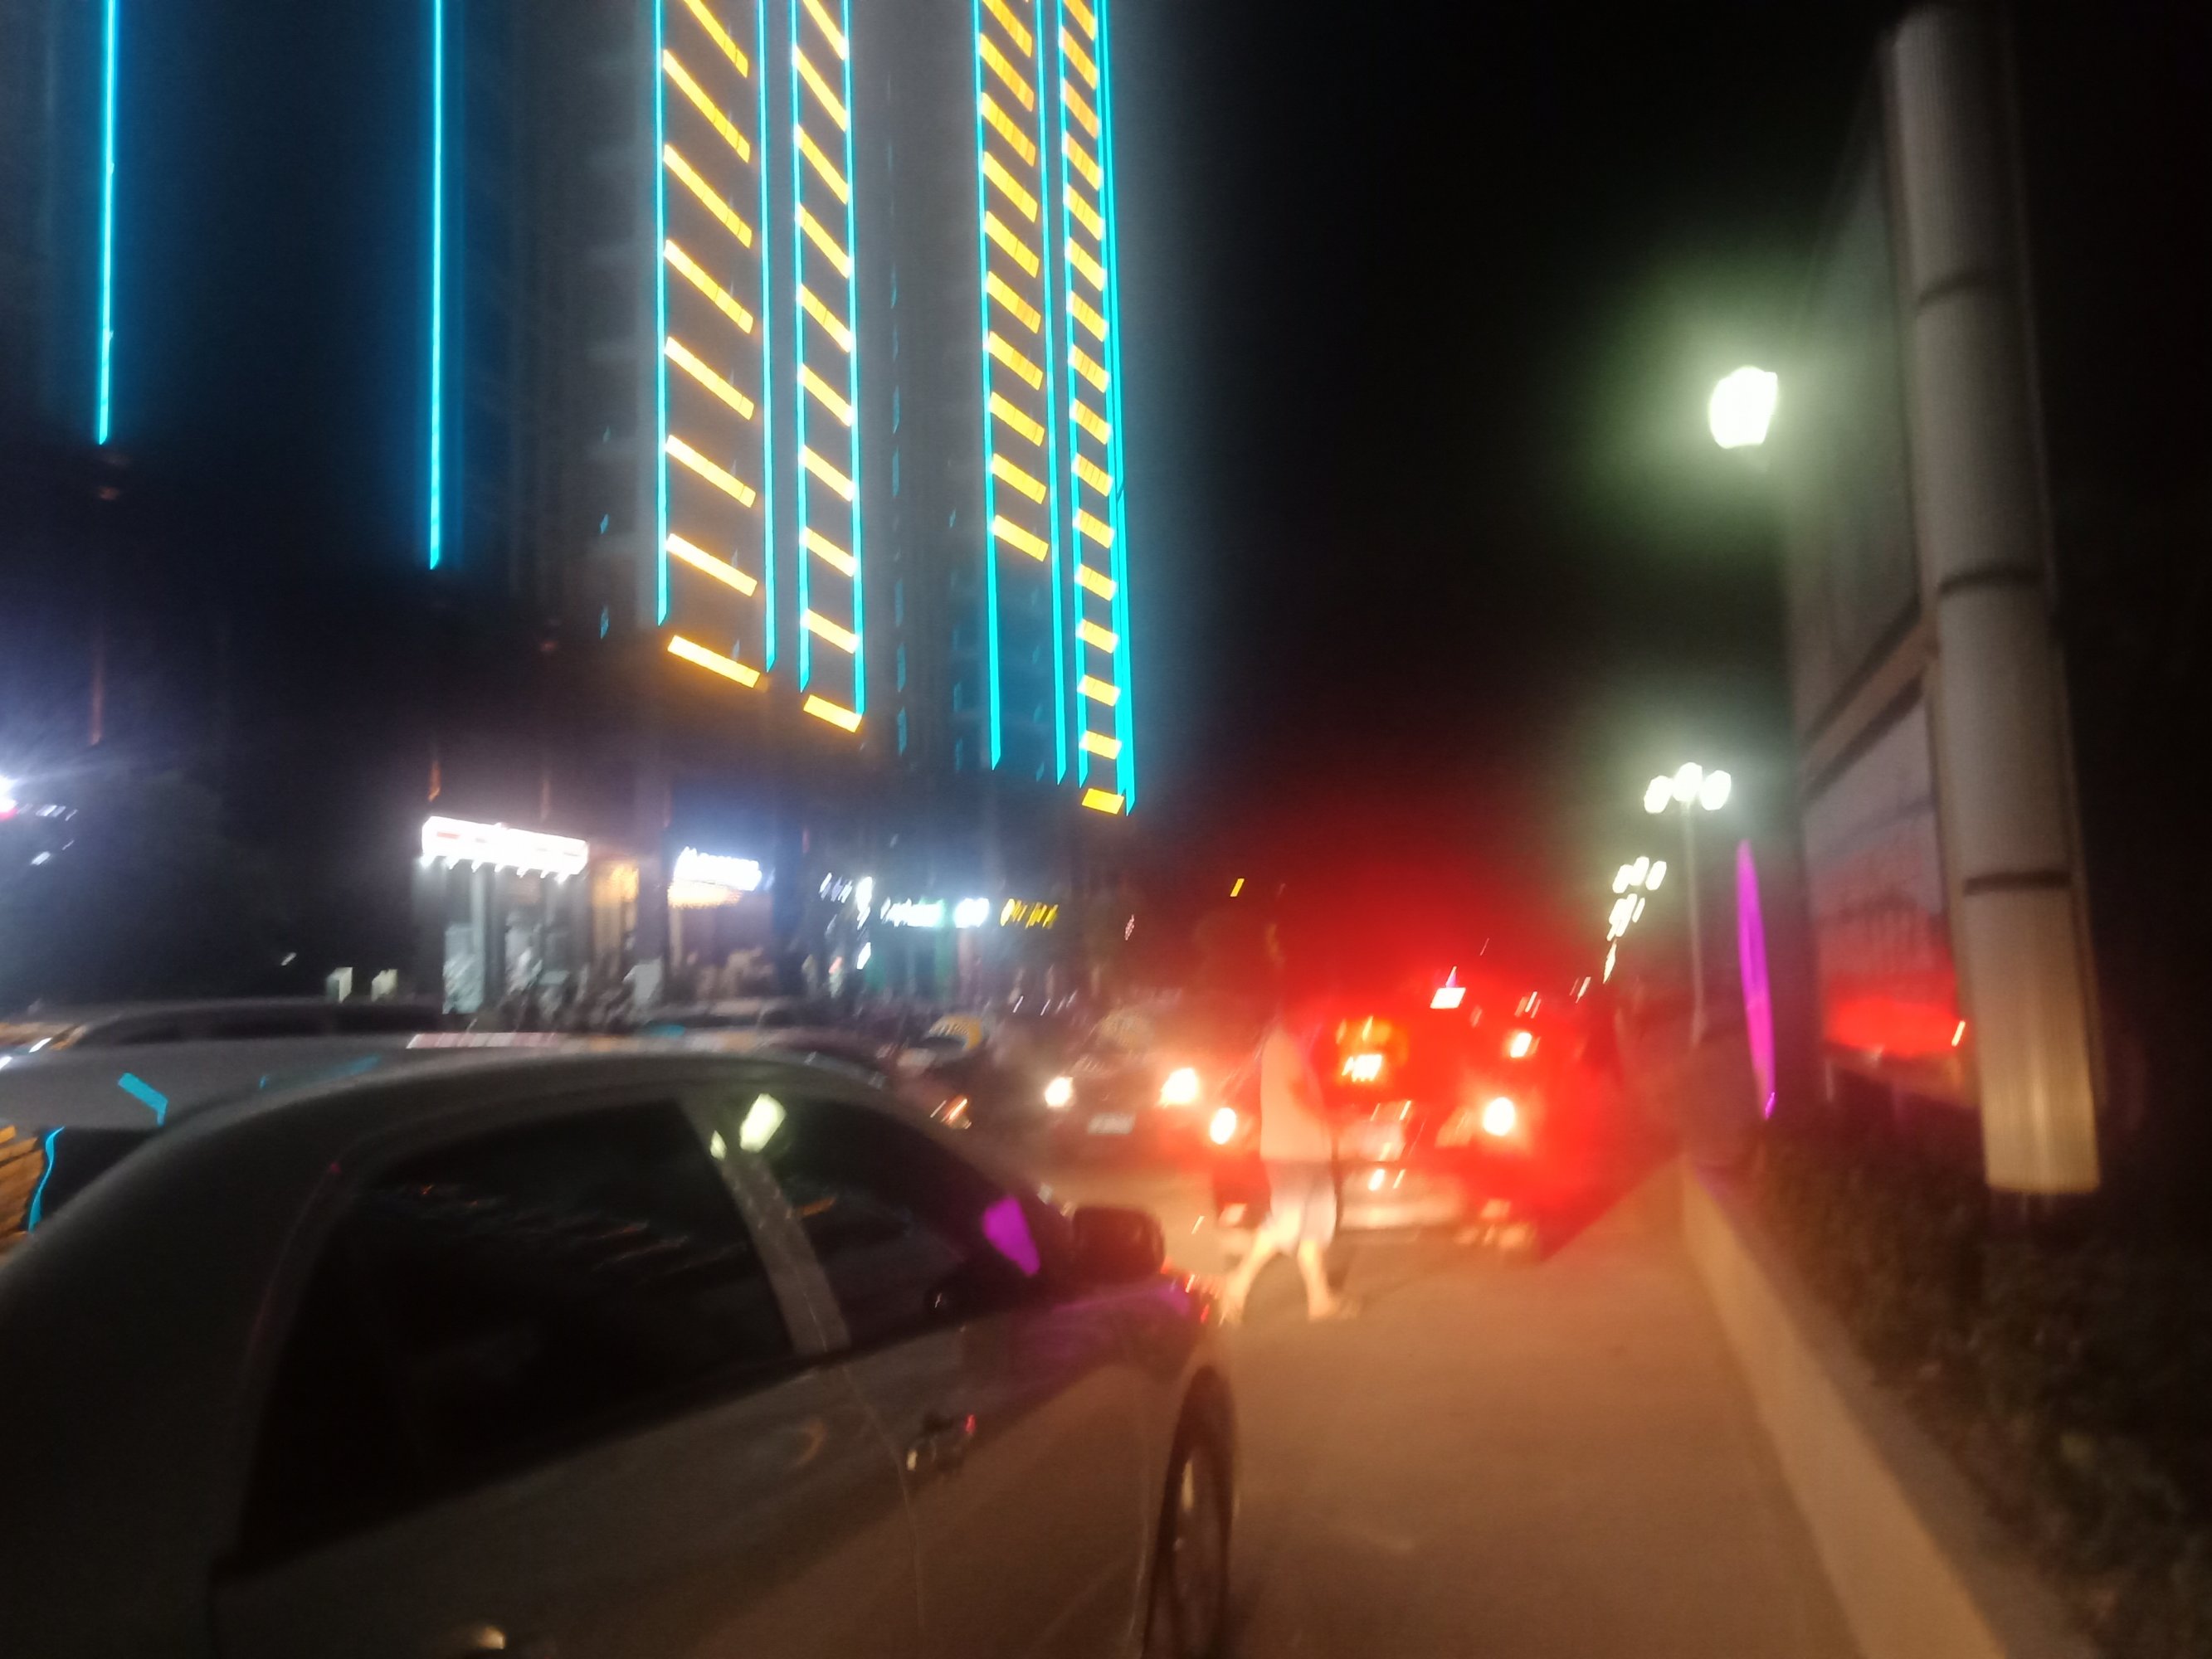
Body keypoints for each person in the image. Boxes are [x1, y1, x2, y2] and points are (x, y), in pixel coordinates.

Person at [1220, 995, 1354, 1324]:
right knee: (1285, 1225)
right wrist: (1334, 1127)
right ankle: (1237, 1284)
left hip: (1309, 1151)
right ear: (1302, 1005)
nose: (1322, 1016)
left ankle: (1320, 1300)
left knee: (1313, 1229)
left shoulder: (1291, 1042)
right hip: (1293, 1153)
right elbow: (1297, 1095)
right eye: (1318, 1007)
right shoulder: (1283, 1044)